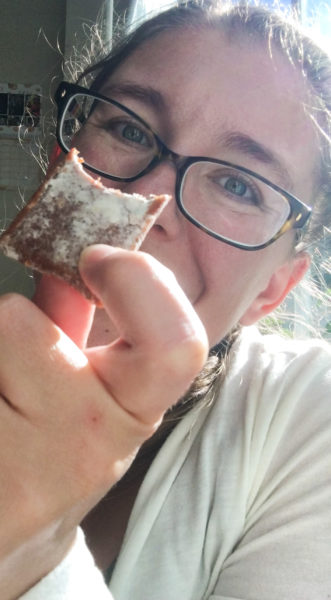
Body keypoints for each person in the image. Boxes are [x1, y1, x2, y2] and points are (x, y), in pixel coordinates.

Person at [0, 1, 330, 598]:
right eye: (130, 129)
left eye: (238, 184)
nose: (151, 200)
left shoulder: (308, 418)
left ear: (273, 289)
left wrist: (34, 552)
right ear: (62, 165)